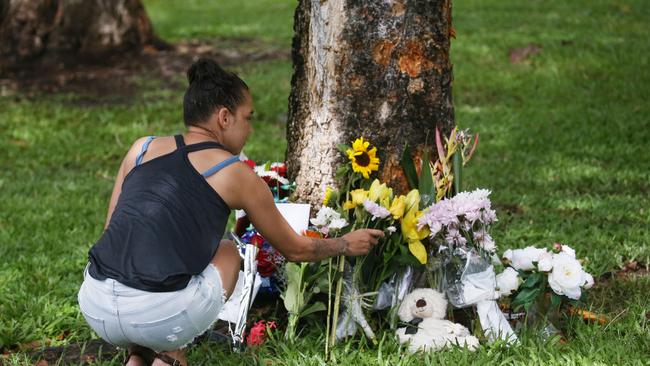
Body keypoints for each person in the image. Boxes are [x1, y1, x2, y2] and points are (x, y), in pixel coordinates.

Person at [77, 58, 384, 366]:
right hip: (158, 316)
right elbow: (295, 249)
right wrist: (345, 244)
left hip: (96, 303)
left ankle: (138, 356)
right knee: (227, 252)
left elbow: (110, 231)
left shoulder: (141, 148)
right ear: (224, 117)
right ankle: (169, 356)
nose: (249, 128)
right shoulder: (233, 172)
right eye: (247, 117)